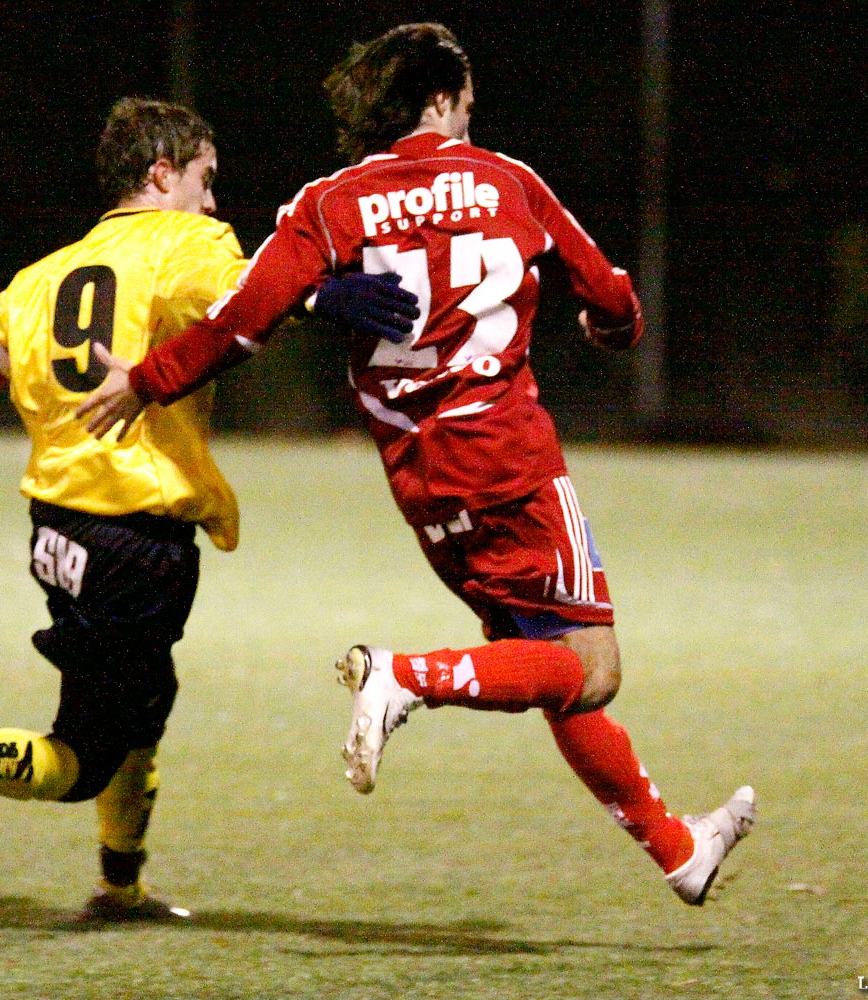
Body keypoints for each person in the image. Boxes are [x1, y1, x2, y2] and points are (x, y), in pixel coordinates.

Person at [78, 24, 755, 906]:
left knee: (537, 659)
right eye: (466, 96)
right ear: (440, 99)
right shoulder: (510, 182)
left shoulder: (330, 201)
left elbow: (244, 320)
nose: (473, 112)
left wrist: (151, 379)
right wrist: (611, 328)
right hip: (509, 453)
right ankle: (407, 677)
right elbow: (612, 294)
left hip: (418, 473)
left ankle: (676, 849)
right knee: (590, 668)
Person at [0, 96, 416, 921]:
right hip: (135, 544)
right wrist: (322, 300)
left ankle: (120, 886)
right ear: (161, 173)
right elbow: (241, 297)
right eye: (205, 180)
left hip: (56, 534)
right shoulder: (188, 244)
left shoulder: (37, 281)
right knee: (79, 759)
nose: (213, 203)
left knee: (142, 703)